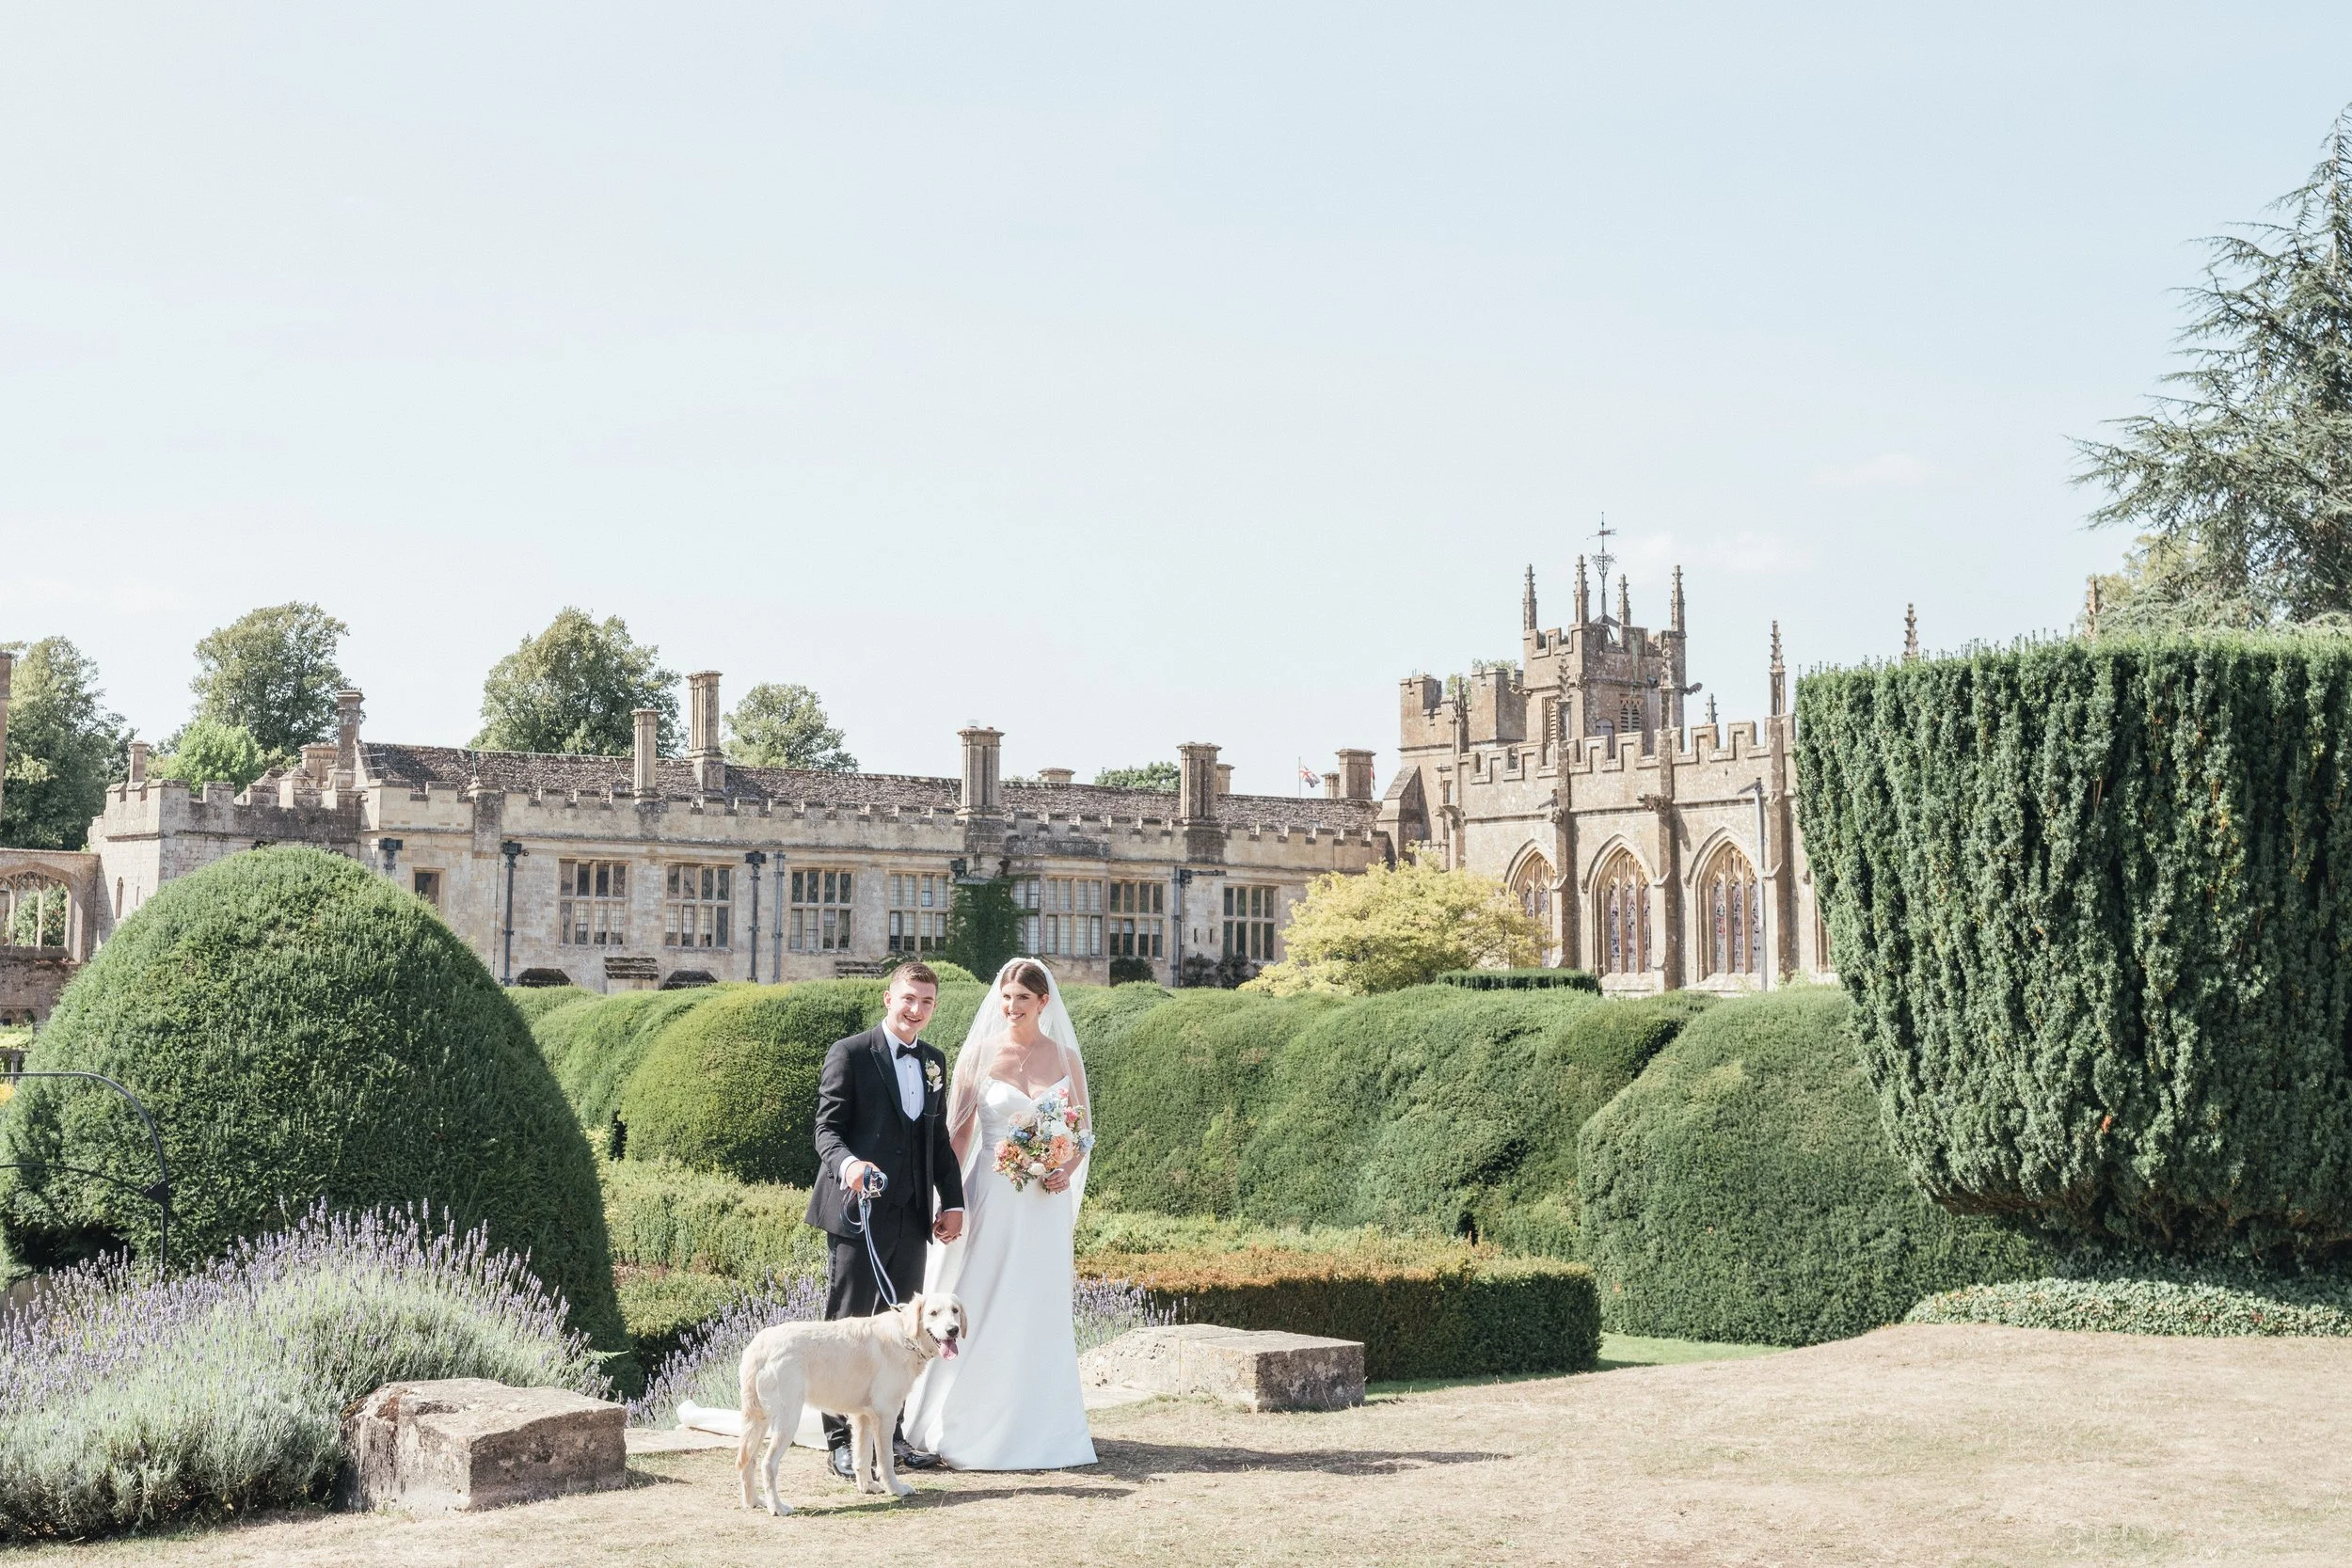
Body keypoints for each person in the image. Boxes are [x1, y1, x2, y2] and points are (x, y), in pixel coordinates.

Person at [901, 957, 1097, 1470]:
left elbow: (1082, 1134)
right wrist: (948, 1201)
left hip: (1044, 1204)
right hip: (991, 1193)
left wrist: (1064, 1168)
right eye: (1006, 998)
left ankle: (1040, 1427)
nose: (1011, 1007)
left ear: (1043, 1002)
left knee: (1036, 1304)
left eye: (1023, 999)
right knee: (981, 1298)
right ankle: (959, 1421)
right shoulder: (979, 1055)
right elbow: (957, 1136)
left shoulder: (1066, 1057)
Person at [804, 959, 965, 1481]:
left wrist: (953, 1201)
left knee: (906, 1334)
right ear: (888, 999)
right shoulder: (850, 1053)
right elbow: (826, 1130)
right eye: (908, 998)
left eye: (926, 1002)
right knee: (847, 1329)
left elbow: (937, 1139)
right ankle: (840, 1443)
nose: (916, 1009)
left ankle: (890, 1440)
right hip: (858, 1214)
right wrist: (850, 1165)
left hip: (912, 1217)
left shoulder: (934, 1061)